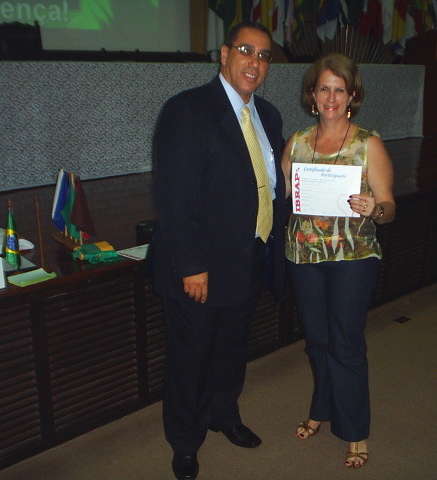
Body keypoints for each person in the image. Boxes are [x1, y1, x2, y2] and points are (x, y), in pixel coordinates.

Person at [152, 22, 286, 480]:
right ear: (224, 54)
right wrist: (191, 265)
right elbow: (174, 197)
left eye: (264, 55)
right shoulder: (187, 110)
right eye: (246, 50)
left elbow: (270, 183)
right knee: (191, 357)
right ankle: (185, 442)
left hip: (249, 256)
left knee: (232, 347)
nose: (255, 62)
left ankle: (223, 414)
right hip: (201, 267)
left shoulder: (269, 115)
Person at [281, 53, 396, 469]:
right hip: (303, 255)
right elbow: (283, 195)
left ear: (352, 96)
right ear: (312, 95)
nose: (331, 97)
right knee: (317, 341)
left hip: (353, 257)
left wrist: (374, 208)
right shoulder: (297, 142)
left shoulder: (368, 144)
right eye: (324, 88)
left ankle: (355, 430)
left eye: (339, 90)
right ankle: (321, 407)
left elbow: (389, 207)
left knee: (345, 343)